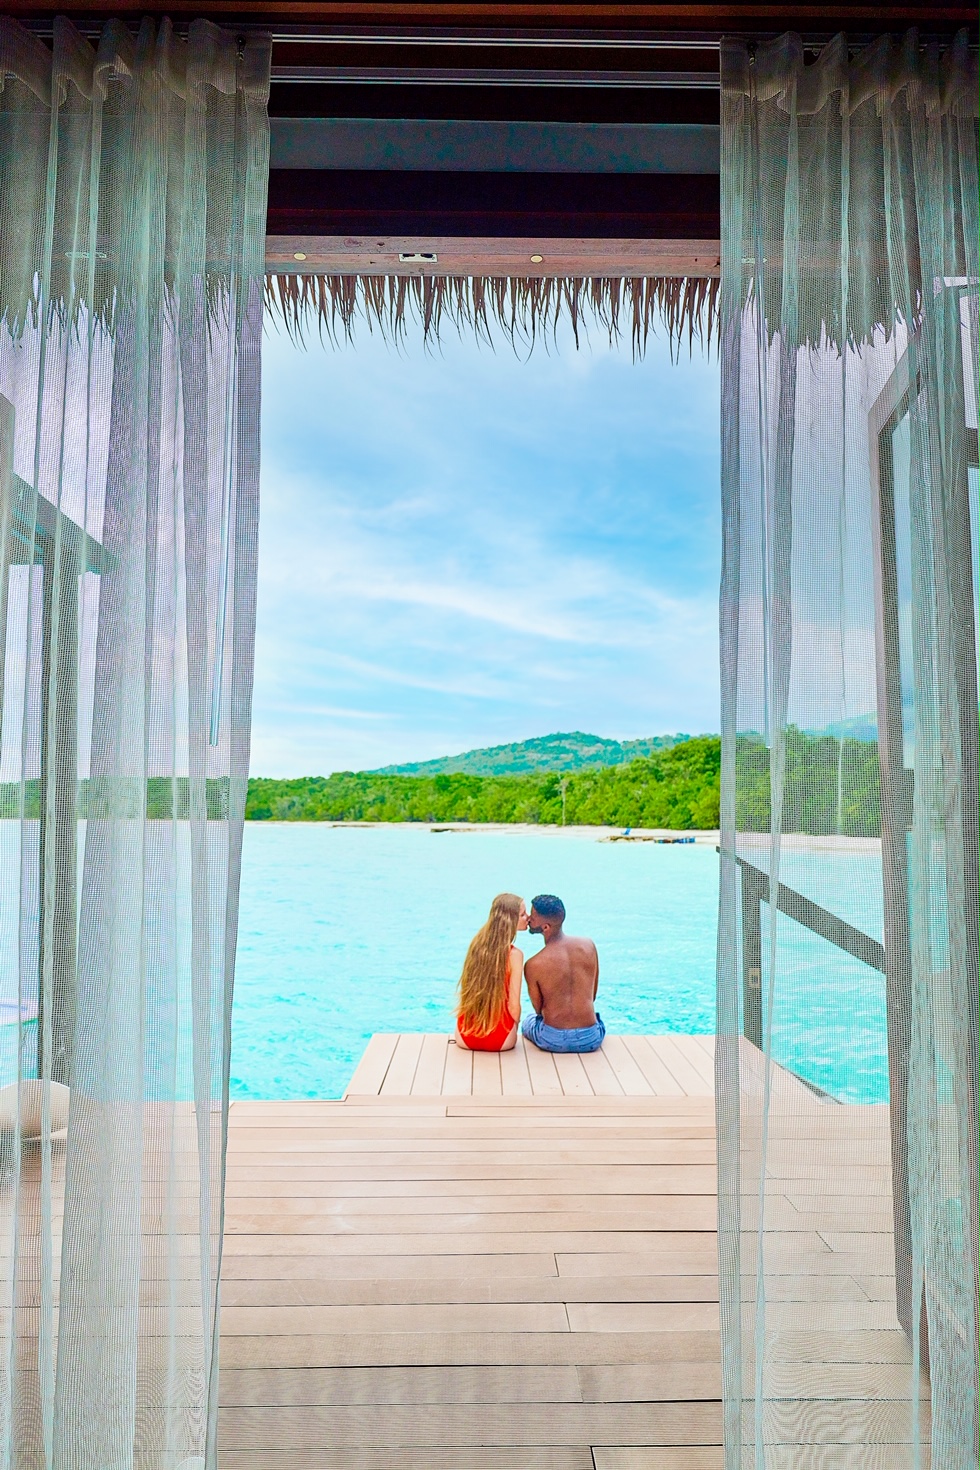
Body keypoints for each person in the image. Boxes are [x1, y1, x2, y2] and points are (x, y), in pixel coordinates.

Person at [522, 894, 605, 1053]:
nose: (529, 919)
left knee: (528, 1021)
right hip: (590, 1038)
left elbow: (539, 1010)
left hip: (553, 1040)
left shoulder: (533, 964)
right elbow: (592, 996)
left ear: (545, 927)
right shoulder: (588, 946)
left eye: (532, 916)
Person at [455, 892, 528, 1051]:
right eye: (523, 914)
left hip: (465, 1035)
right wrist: (514, 1027)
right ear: (510, 920)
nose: (528, 917)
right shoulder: (515, 955)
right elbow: (514, 1006)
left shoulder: (476, 945)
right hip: (500, 1040)